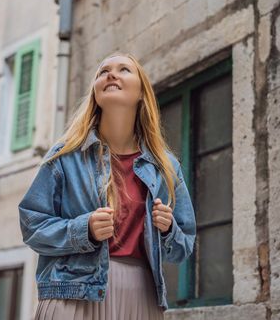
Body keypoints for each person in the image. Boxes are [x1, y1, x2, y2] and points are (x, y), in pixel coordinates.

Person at [18, 53, 196, 320]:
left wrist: (169, 229)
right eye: (103, 72)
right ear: (95, 94)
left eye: (124, 69)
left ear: (141, 93)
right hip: (72, 296)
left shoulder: (166, 166)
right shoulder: (64, 156)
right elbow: (31, 225)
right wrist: (83, 229)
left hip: (142, 297)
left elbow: (183, 247)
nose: (111, 75)